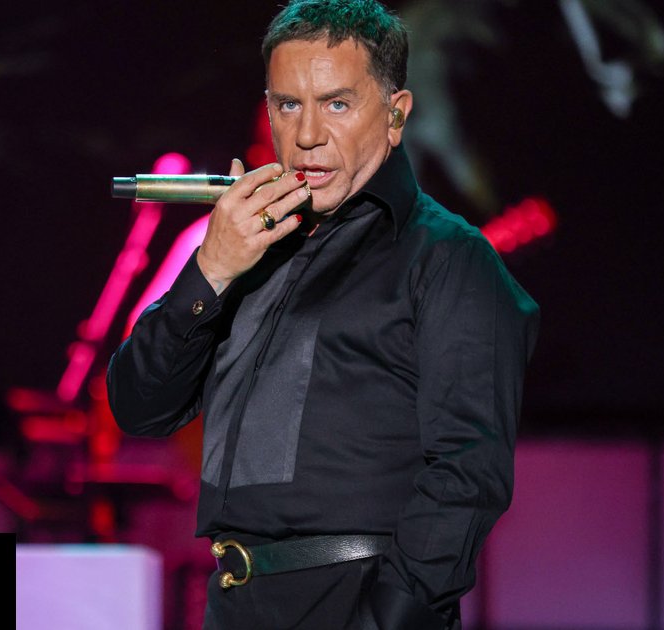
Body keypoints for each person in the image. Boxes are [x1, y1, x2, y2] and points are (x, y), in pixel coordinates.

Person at [107, 1, 540, 628]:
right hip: (234, 599)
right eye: (288, 105)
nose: (307, 133)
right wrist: (213, 269)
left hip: (357, 601)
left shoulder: (447, 257)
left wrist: (386, 618)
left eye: (336, 104)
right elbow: (138, 407)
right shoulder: (246, 247)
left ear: (395, 115)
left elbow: (468, 475)